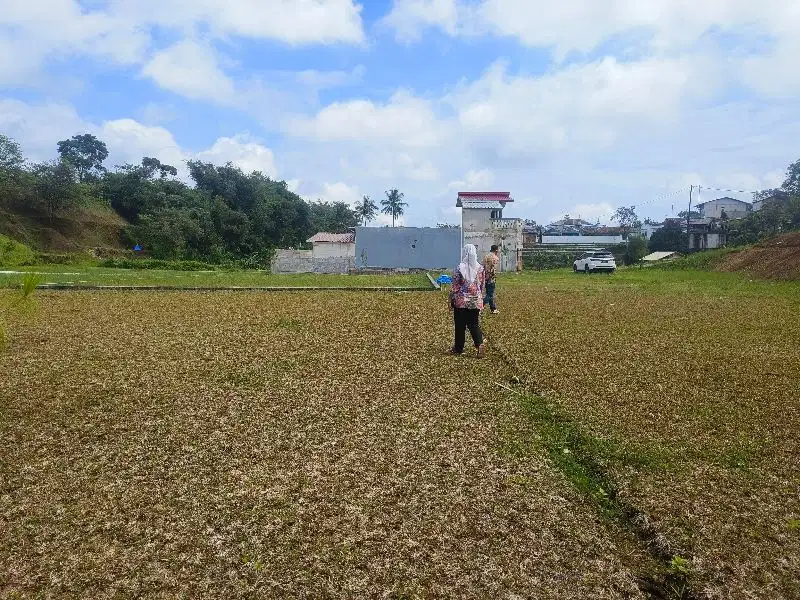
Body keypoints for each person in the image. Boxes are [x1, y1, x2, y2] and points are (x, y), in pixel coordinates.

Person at [449, 244, 487, 358]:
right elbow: (482, 285)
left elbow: (455, 286)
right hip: (474, 299)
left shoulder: (459, 268)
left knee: (460, 325)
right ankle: (479, 344)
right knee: (473, 323)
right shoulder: (480, 268)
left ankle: (458, 348)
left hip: (461, 301)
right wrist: (478, 296)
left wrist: (451, 299)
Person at [483, 244, 500, 314]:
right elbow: (493, 270)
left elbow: (483, 267)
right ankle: (479, 306)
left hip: (485, 277)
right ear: (496, 250)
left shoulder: (486, 256)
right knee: (489, 294)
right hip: (491, 278)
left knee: (489, 293)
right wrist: (492, 277)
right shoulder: (495, 258)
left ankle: (493, 309)